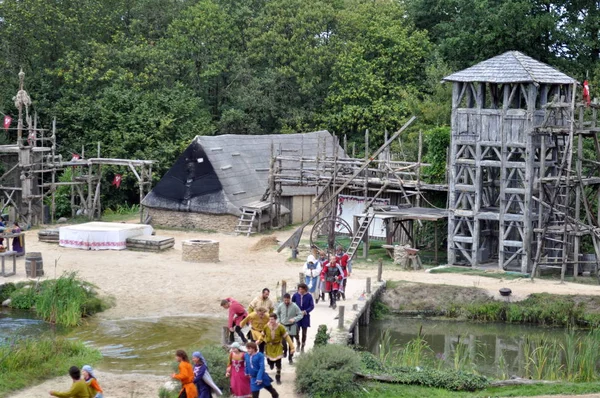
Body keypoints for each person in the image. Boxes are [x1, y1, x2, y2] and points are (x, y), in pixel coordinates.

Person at [258, 313, 294, 385]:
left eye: (272, 319)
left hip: (278, 347)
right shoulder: (266, 326)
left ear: (275, 319)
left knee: (278, 363)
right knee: (270, 362)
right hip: (269, 347)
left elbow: (287, 337)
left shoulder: (280, 327)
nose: (271, 321)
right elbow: (262, 335)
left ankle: (278, 377)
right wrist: (259, 340)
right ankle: (271, 363)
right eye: (270, 319)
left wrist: (292, 347)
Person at [275, 293, 303, 364]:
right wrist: (278, 321)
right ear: (283, 299)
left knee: (291, 342)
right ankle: (285, 350)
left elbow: (300, 314)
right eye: (285, 300)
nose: (286, 302)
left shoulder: (294, 306)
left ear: (290, 299)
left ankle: (290, 358)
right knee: (283, 342)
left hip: (291, 326)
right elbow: (277, 314)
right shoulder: (281, 305)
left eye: (287, 300)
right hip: (283, 326)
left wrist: (295, 319)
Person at [291, 283, 314, 352]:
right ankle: (298, 342)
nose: (300, 290)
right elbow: (292, 304)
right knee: (296, 331)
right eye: (299, 289)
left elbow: (312, 306)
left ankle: (302, 346)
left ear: (305, 289)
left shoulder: (309, 296)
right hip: (297, 317)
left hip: (305, 317)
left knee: (304, 333)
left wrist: (306, 311)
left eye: (302, 289)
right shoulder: (295, 295)